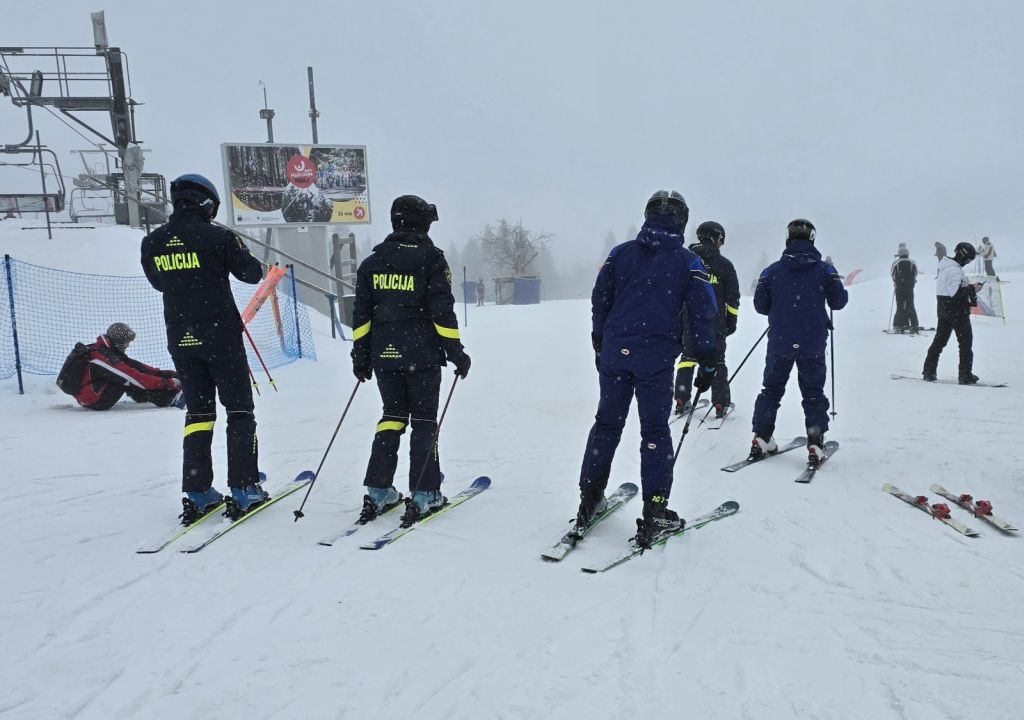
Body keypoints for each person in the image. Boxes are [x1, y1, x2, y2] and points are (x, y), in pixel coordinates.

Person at [579, 190, 718, 548]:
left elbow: (600, 301)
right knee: (654, 431)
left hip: (615, 352)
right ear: (682, 220)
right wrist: (708, 359)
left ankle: (590, 496)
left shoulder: (620, 254)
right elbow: (703, 313)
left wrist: (601, 342)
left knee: (607, 423)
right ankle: (655, 511)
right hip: (654, 358)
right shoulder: (688, 262)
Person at [140, 173, 265, 522]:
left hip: (181, 337)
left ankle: (198, 491)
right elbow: (252, 274)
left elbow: (157, 281)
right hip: (220, 337)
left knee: (198, 413)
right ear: (208, 204)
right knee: (239, 411)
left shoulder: (153, 242)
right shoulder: (219, 236)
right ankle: (244, 487)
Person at [351, 194, 471, 527]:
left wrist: (360, 356)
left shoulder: (372, 263)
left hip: (384, 356)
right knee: (423, 421)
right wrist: (456, 351)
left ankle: (378, 490)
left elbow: (361, 316)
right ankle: (424, 493)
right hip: (421, 355)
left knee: (391, 416)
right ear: (422, 225)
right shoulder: (432, 260)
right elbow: (441, 311)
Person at [750, 219, 848, 467]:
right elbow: (839, 302)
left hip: (780, 342)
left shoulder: (772, 271)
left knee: (770, 391)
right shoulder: (825, 271)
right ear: (812, 238)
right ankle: (815, 441)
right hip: (812, 342)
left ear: (788, 238)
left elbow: (760, 306)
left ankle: (761, 437)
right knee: (813, 394)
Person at [673, 221, 740, 418]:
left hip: (687, 321)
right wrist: (732, 321)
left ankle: (681, 398)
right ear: (717, 238)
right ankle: (720, 403)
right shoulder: (725, 266)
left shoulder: (685, 261)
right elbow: (733, 298)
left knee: (687, 358)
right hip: (715, 323)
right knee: (717, 360)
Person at [65, 323, 184, 410]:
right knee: (127, 380)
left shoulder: (105, 350)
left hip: (91, 392)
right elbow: (133, 377)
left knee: (130, 366)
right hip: (94, 400)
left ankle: (148, 394)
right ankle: (167, 399)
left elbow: (138, 367)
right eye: (126, 342)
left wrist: (169, 374)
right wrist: (167, 383)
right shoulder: (101, 358)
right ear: (119, 342)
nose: (127, 345)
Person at [923, 242, 984, 384]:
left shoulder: (945, 267)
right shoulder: (954, 270)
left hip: (945, 311)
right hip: (957, 312)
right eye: (968, 260)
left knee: (939, 342)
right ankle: (965, 375)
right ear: (964, 257)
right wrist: (973, 288)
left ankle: (928, 371)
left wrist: (968, 287)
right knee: (965, 343)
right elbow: (955, 293)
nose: (968, 263)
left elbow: (951, 290)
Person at [890, 243, 919, 334]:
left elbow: (892, 275)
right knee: (910, 305)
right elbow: (916, 273)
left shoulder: (896, 263)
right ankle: (914, 325)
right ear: (907, 253)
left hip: (899, 288)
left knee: (900, 306)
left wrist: (896, 281)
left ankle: (899, 325)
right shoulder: (912, 262)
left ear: (899, 254)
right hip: (909, 287)